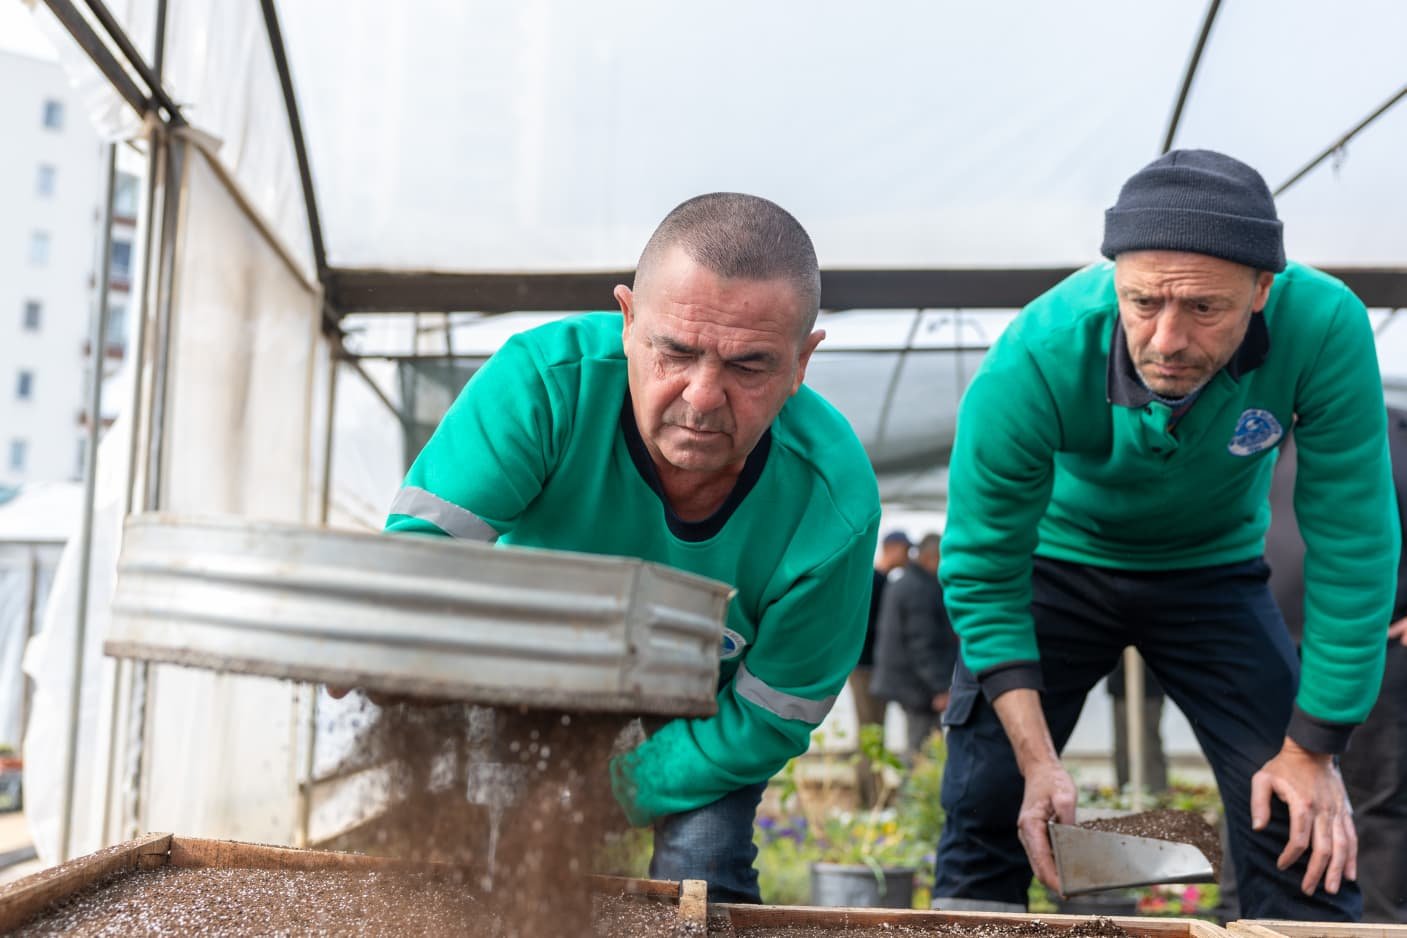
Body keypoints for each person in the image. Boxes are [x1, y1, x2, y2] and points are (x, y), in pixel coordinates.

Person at [933, 149, 1400, 920]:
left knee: (1289, 814)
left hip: (1212, 570)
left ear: (1261, 290)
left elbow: (1353, 538)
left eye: (1203, 310)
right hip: (1056, 564)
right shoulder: (1036, 352)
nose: (1166, 339)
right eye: (1142, 302)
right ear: (1114, 279)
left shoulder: (1323, 326)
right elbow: (982, 564)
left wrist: (1313, 747)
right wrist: (1037, 758)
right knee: (991, 795)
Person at [379, 192, 881, 902]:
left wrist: (608, 790)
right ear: (627, 321)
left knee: (702, 866)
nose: (703, 397)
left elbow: (772, 713)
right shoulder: (543, 386)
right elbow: (420, 555)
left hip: (704, 717)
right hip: (535, 685)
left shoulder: (831, 506)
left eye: (749, 366)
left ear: (802, 362)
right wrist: (382, 638)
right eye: (674, 351)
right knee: (496, 873)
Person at [1265, 411, 1407, 922]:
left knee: (1377, 799)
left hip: (1376, 650)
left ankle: (1381, 927)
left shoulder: (1394, 433)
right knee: (1259, 792)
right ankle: (1249, 920)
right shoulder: (1264, 427)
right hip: (1269, 647)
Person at [871, 532, 956, 756]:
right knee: (922, 748)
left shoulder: (909, 582)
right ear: (931, 558)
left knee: (923, 744)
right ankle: (915, 791)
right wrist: (939, 687)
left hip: (911, 681)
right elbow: (922, 644)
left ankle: (917, 788)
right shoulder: (920, 589)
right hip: (916, 685)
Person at [850, 530, 911, 799]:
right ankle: (869, 796)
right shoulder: (874, 581)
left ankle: (872, 793)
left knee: (873, 731)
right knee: (870, 732)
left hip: (871, 666)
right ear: (893, 548)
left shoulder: (882, 580)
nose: (909, 557)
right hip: (865, 667)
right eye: (906, 550)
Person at [1106, 657, 1168, 794]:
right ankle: (1125, 793)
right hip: (1122, 685)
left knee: (1150, 744)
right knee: (1123, 744)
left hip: (1150, 685)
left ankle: (1157, 794)